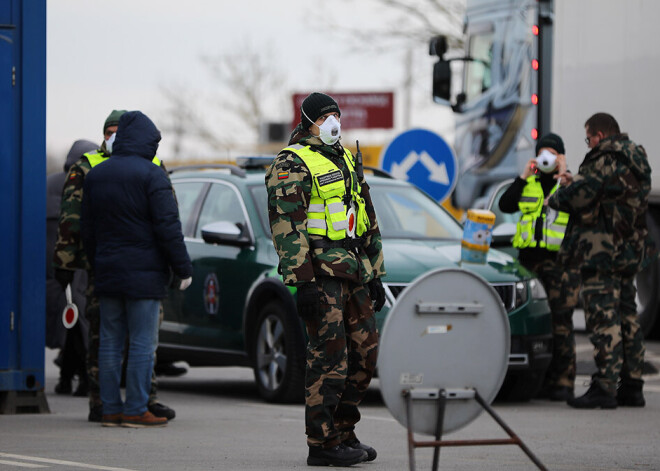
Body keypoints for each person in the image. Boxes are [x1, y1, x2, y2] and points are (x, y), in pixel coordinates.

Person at [265, 92, 386, 467]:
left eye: (336, 114)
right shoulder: (291, 162)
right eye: (325, 116)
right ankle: (321, 443)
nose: (333, 121)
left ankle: (343, 432)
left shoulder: (347, 158)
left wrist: (376, 271)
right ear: (308, 122)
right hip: (321, 274)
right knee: (329, 358)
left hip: (354, 271)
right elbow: (287, 227)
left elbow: (365, 215)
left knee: (365, 356)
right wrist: (302, 283)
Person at [53, 110, 178, 423]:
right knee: (105, 337)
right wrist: (67, 262)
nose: (114, 136)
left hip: (122, 263)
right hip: (105, 266)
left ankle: (144, 399)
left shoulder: (153, 164)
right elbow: (72, 219)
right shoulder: (86, 166)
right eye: (110, 131)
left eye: (119, 131)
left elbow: (168, 213)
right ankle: (103, 401)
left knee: (140, 340)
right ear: (103, 134)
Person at [81, 110, 193, 427]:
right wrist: (182, 268)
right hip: (144, 275)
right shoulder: (152, 175)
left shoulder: (96, 175)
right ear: (147, 142)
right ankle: (135, 409)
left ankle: (110, 410)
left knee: (110, 342)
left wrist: (97, 261)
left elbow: (86, 230)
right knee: (143, 343)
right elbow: (168, 227)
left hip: (107, 271)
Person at [549, 112, 652, 409]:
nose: (589, 144)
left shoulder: (603, 158)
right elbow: (607, 191)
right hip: (630, 249)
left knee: (602, 316)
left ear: (600, 135)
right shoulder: (636, 157)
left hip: (601, 251)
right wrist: (579, 179)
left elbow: (580, 197)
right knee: (627, 314)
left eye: (589, 138)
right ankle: (632, 386)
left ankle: (605, 387)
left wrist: (558, 195)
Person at [498, 133, 577, 402]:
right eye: (542, 152)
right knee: (534, 321)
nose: (546, 157)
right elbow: (505, 204)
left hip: (559, 263)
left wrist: (565, 173)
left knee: (561, 321)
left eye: (552, 153)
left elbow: (579, 206)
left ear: (560, 157)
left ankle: (563, 382)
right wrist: (522, 175)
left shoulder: (569, 185)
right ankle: (538, 382)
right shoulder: (528, 183)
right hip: (528, 263)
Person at [47, 139, 97, 396]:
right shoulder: (89, 184)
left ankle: (65, 378)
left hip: (49, 267)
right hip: (77, 264)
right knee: (79, 323)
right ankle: (83, 380)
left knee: (64, 322)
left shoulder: (48, 183)